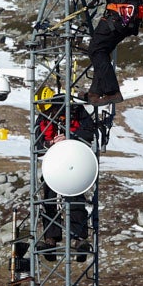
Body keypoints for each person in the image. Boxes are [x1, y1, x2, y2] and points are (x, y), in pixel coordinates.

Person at [34, 89, 97, 261]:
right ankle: (51, 239)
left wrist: (69, 138)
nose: (48, 114)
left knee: (75, 198)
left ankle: (78, 238)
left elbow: (90, 132)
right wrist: (50, 143)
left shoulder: (76, 111)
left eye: (50, 110)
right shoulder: (43, 118)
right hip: (54, 165)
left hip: (74, 164)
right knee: (49, 198)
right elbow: (36, 143)